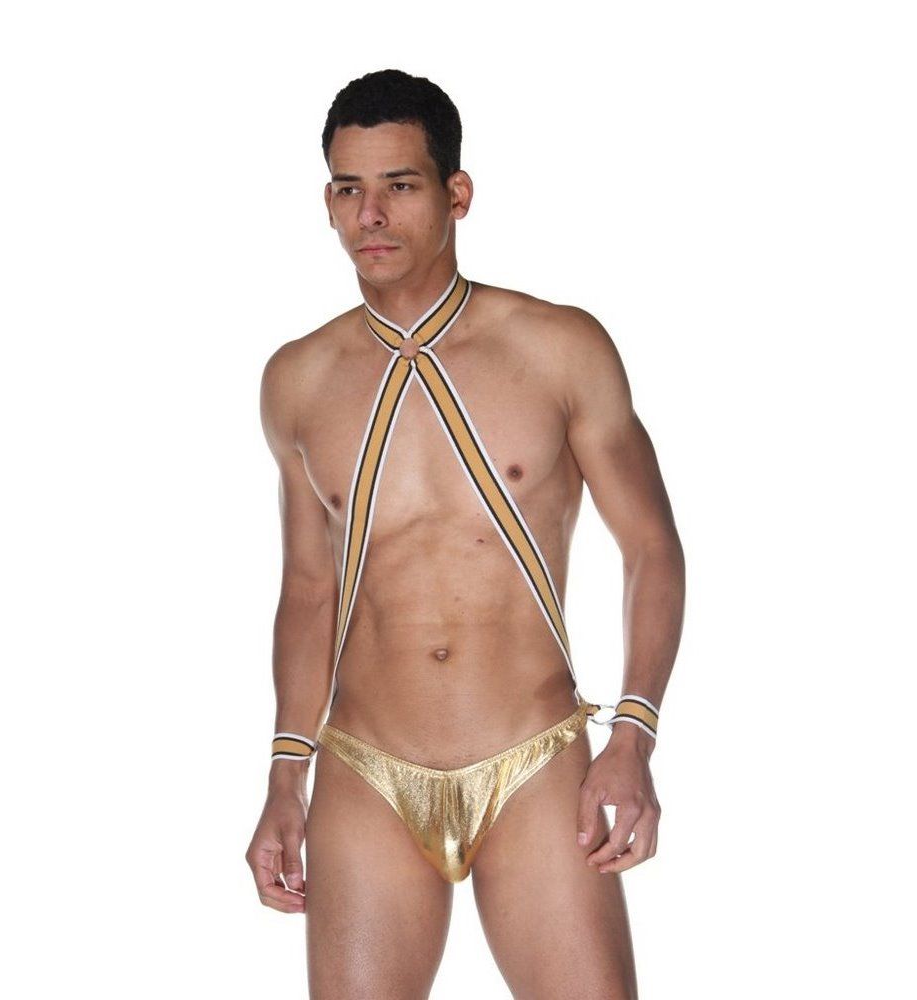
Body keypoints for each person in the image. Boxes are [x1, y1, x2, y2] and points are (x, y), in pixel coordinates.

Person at [246, 67, 685, 999]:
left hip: (532, 759)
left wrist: (634, 736)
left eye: (399, 186)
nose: (370, 215)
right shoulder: (297, 379)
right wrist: (286, 775)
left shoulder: (559, 347)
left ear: (457, 194)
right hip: (365, 768)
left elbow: (651, 547)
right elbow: (310, 590)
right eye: (348, 189)